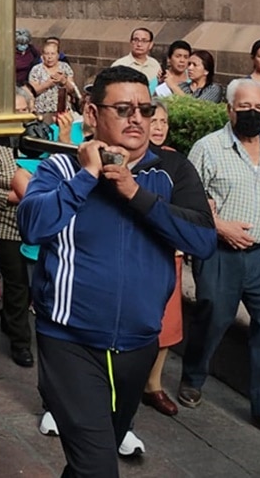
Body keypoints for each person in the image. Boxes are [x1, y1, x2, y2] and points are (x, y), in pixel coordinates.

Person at [18, 65, 217, 476]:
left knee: (97, 452)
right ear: (92, 113)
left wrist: (134, 193)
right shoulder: (61, 169)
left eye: (145, 110)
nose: (137, 119)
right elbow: (33, 225)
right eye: (124, 109)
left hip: (138, 341)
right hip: (69, 340)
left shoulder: (172, 171)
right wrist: (89, 175)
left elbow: (202, 240)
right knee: (97, 467)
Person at [178, 77, 260, 442]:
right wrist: (222, 227)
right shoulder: (208, 148)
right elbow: (190, 205)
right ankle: (193, 376)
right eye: (245, 107)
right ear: (229, 109)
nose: (252, 114)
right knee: (214, 316)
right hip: (220, 253)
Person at [139, 101, 187, 418]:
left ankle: (153, 385)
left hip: (171, 252)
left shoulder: (176, 161)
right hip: (137, 252)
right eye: (152, 120)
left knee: (168, 324)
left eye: (163, 121)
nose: (158, 127)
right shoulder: (128, 157)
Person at [0, 88, 37, 368]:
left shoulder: (42, 138)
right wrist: (9, 196)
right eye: (15, 110)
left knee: (31, 285)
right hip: (8, 224)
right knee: (17, 282)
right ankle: (21, 343)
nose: (19, 115)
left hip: (37, 224)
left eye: (23, 110)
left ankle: (9, 319)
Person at [27, 39, 79, 115]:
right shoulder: (36, 69)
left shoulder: (65, 67)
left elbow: (72, 90)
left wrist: (64, 81)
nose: (49, 57)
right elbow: (32, 91)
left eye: (52, 54)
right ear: (42, 56)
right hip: (42, 111)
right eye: (47, 54)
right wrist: (47, 84)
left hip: (63, 111)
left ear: (58, 55)